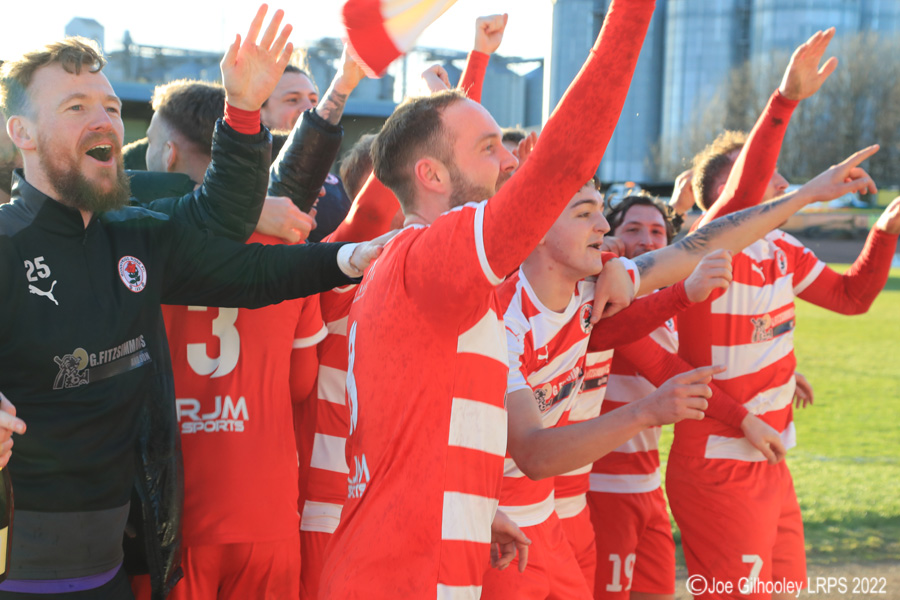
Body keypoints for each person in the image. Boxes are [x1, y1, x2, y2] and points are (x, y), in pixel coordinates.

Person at [0, 6, 383, 598]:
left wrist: (348, 260)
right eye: (76, 107)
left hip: (117, 573)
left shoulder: (132, 233)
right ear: (20, 134)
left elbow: (229, 236)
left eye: (107, 105)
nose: (102, 119)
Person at [317, 2, 661, 597]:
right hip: (407, 578)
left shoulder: (417, 266)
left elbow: (415, 434)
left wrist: (476, 511)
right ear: (431, 176)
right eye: (489, 148)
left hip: (410, 562)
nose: (509, 161)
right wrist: (632, 14)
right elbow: (561, 163)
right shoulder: (428, 261)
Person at [665, 29, 900, 600]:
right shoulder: (706, 247)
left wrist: (885, 230)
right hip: (719, 463)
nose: (785, 188)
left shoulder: (781, 250)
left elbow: (852, 299)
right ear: (724, 196)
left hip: (771, 459)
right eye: (770, 180)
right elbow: (743, 200)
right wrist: (784, 100)